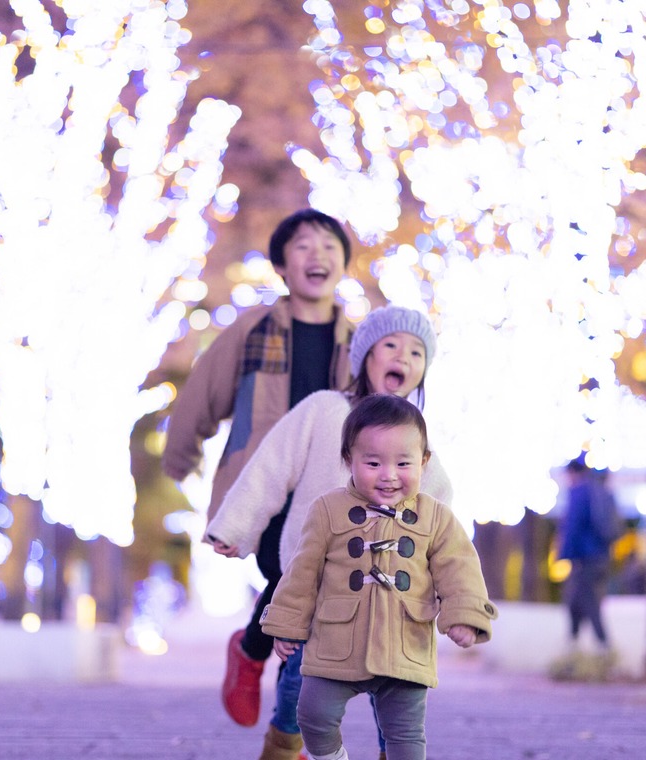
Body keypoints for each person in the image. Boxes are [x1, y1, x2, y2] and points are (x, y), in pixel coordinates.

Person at [207, 306, 448, 760]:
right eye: (391, 345)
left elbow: (439, 508)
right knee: (300, 684)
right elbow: (271, 466)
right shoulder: (324, 409)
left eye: (417, 352)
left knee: (396, 689)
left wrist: (442, 578)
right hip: (314, 581)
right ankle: (283, 747)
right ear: (365, 356)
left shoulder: (414, 436)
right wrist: (236, 525)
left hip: (386, 594)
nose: (404, 356)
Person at [162, 208, 356, 727]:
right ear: (282, 266)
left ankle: (258, 666)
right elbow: (203, 393)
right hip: (264, 480)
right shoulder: (252, 329)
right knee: (288, 574)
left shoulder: (356, 341)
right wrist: (181, 454)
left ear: (342, 265)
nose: (317, 255)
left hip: (327, 483)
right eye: (303, 246)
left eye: (329, 247)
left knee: (305, 583)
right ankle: (262, 676)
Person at [259, 394, 498, 760]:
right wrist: (288, 624)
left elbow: (459, 568)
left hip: (405, 643)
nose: (389, 475)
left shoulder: (435, 518)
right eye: (373, 463)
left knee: (405, 735)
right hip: (335, 642)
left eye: (403, 463)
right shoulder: (327, 510)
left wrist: (464, 615)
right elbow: (301, 572)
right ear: (348, 460)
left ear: (424, 462)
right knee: (312, 715)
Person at [557, 458, 617, 652]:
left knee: (585, 601)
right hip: (601, 556)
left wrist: (564, 554)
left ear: (572, 473)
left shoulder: (579, 492)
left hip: (584, 559)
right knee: (579, 599)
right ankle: (577, 643)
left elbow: (572, 527)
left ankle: (601, 645)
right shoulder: (598, 490)